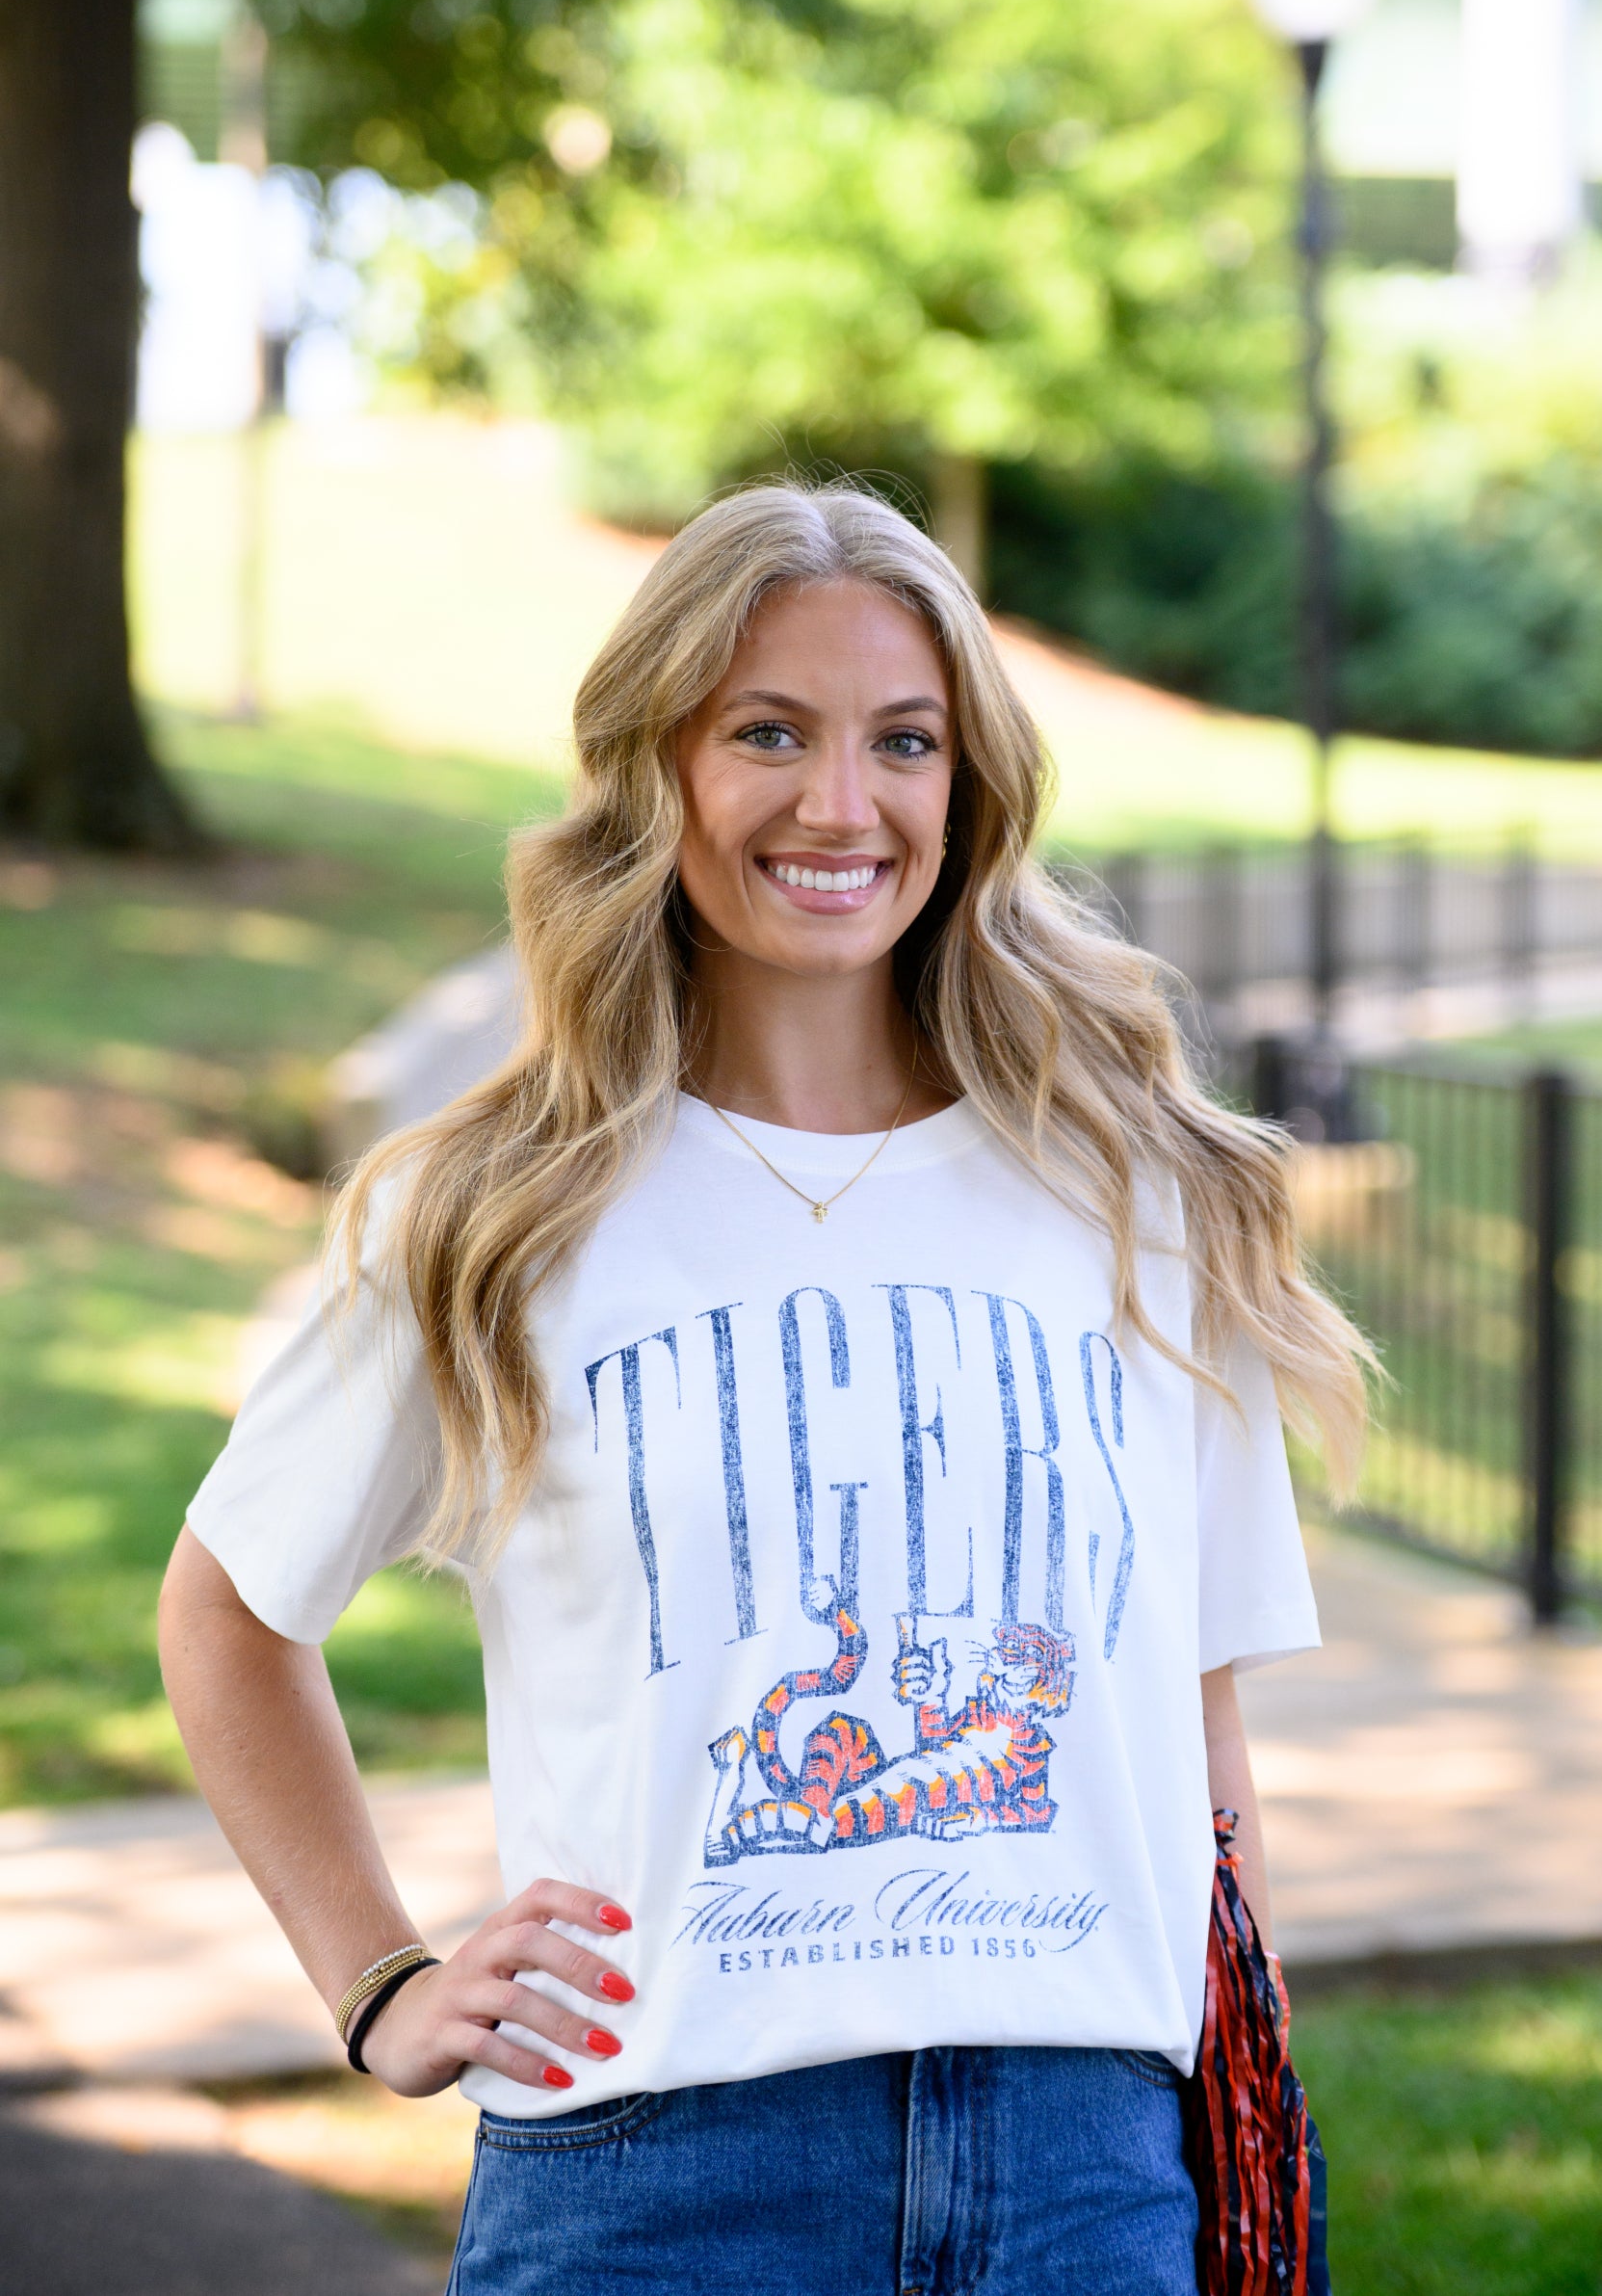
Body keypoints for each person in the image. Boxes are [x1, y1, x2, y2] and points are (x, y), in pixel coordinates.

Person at [160, 482, 1367, 2296]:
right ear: (660, 766)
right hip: (664, 2184)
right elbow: (228, 1611)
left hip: (1088, 2177)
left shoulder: (1134, 1194)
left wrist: (1222, 2121)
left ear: (969, 791)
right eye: (768, 734)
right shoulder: (491, 1210)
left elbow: (1194, 1732)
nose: (840, 804)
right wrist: (381, 1982)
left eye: (904, 742)